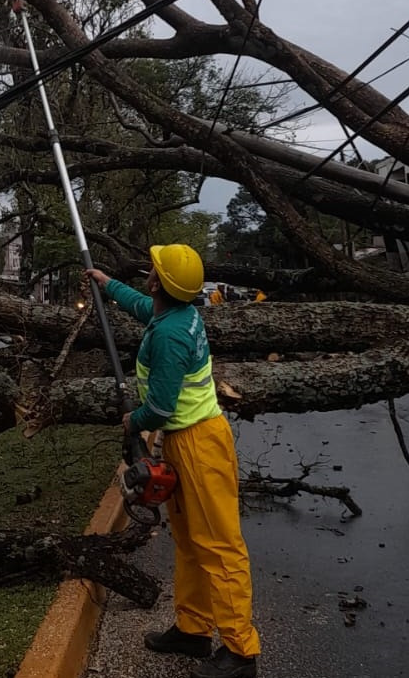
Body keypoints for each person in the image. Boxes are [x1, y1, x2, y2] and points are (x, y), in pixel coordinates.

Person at [86, 244, 261, 678]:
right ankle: (194, 629)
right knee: (189, 540)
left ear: (158, 281)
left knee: (220, 545)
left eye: (153, 271)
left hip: (201, 444)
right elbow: (145, 307)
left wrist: (132, 420)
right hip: (186, 440)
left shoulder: (169, 334)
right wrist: (108, 286)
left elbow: (160, 407)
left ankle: (241, 652)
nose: (149, 276)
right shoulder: (176, 313)